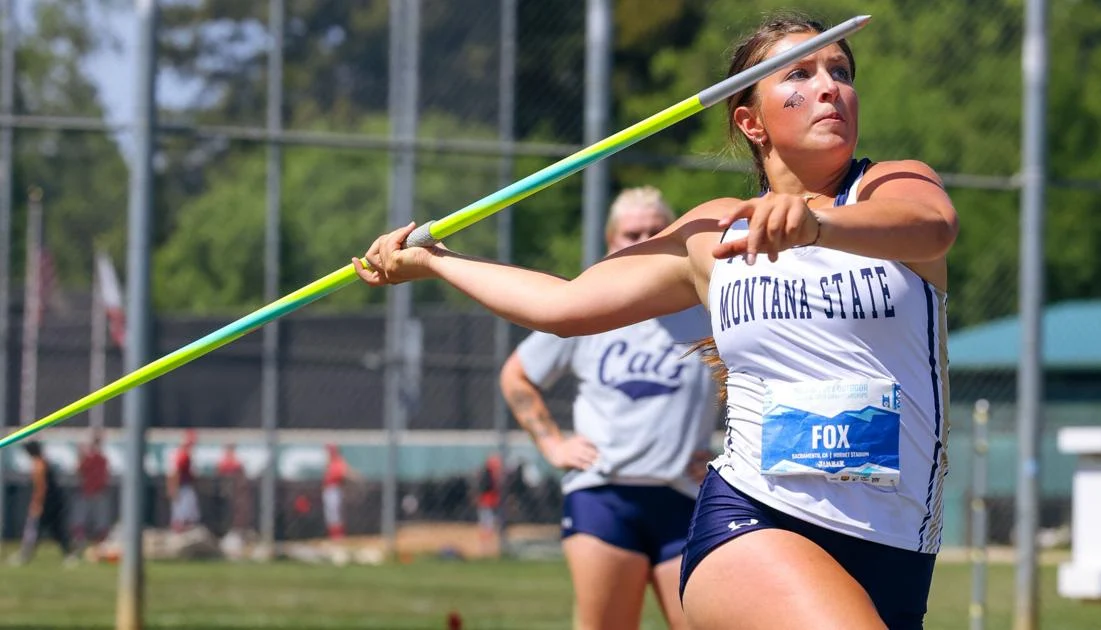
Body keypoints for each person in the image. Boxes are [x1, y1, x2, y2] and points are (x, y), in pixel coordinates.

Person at [355, 11, 958, 629]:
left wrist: (817, 223)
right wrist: (437, 262)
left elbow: (934, 226)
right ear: (750, 121)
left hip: (897, 542)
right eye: (799, 74)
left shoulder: (890, 188)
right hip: (757, 516)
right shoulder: (713, 232)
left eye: (840, 72)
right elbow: (562, 306)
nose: (830, 87)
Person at [495, 186, 719, 630]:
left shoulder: (705, 305)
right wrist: (553, 444)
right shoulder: (590, 308)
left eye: (657, 231)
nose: (645, 241)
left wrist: (726, 456)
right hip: (603, 496)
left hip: (685, 498)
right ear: (611, 241)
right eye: (632, 233)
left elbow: (760, 377)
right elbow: (516, 376)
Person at [13, 441, 75, 565]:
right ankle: (69, 554)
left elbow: (41, 487)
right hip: (54, 502)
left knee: (35, 530)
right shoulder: (44, 462)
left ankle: (25, 555)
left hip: (47, 503)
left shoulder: (39, 465)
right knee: (56, 529)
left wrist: (37, 504)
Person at [73, 432, 111, 547]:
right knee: (84, 518)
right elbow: (79, 472)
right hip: (89, 491)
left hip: (96, 492)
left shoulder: (100, 458)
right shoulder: (92, 458)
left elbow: (104, 476)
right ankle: (83, 541)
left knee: (98, 519)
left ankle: (98, 542)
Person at [322, 443, 358, 541]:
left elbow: (345, 472)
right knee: (331, 515)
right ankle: (334, 536)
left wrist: (355, 476)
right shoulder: (329, 462)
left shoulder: (338, 461)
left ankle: (338, 536)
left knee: (335, 514)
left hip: (334, 489)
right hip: (329, 489)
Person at [168, 429, 201, 532]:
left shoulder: (186, 455)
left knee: (189, 514)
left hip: (185, 487)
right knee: (182, 515)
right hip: (181, 488)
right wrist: (174, 489)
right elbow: (175, 473)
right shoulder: (181, 455)